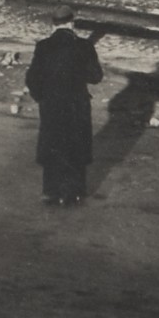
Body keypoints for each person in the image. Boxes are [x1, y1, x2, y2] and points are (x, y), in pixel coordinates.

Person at [25, 14, 107, 206]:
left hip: (52, 104)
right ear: (72, 24)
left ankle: (50, 191)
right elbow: (96, 77)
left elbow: (32, 79)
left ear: (53, 24)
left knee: (52, 142)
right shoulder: (85, 46)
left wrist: (41, 98)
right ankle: (73, 192)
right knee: (76, 144)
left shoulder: (43, 46)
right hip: (76, 104)